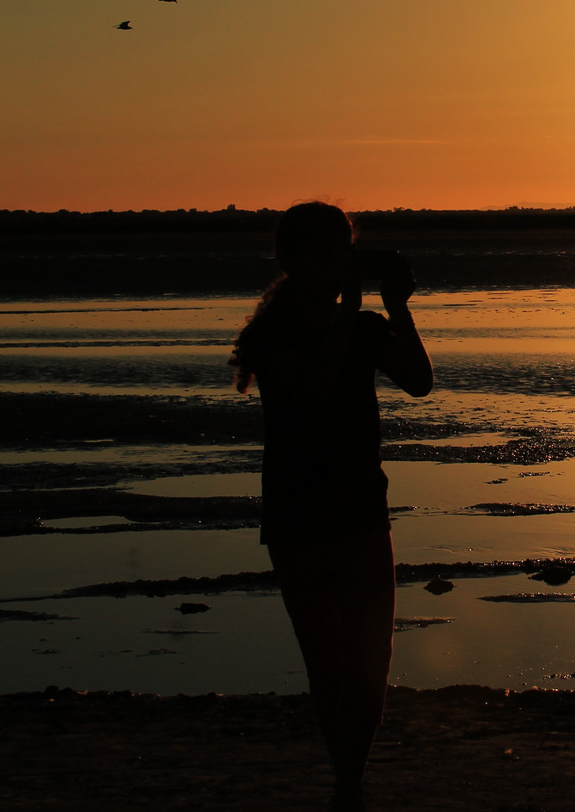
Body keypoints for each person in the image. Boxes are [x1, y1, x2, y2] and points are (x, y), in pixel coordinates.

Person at [230, 201, 433, 812]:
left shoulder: (363, 325)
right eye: (322, 256)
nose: (334, 268)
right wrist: (351, 312)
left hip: (362, 512)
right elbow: (314, 389)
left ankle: (350, 779)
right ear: (289, 261)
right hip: (299, 518)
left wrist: (397, 307)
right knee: (329, 665)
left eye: (342, 254)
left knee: (371, 668)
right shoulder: (272, 336)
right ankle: (348, 785)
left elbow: (420, 380)